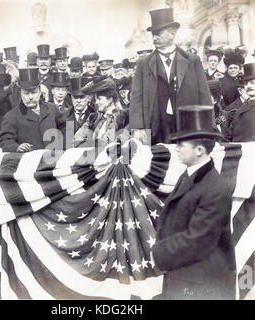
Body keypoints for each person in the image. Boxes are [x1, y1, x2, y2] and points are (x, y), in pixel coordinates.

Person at [151, 105, 236, 300]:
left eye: (181, 143)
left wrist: (158, 253)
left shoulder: (216, 188)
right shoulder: (190, 175)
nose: (176, 147)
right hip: (187, 277)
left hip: (204, 286)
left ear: (199, 150)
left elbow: (197, 239)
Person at [129, 8, 212, 145]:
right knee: (157, 161)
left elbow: (204, 96)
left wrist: (208, 126)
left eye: (158, 33)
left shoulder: (192, 61)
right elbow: (136, 99)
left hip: (187, 123)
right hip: (155, 126)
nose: (154, 38)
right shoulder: (143, 64)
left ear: (172, 33)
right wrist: (137, 129)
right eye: (153, 34)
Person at [0, 67, 66, 152]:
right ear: (20, 93)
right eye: (26, 93)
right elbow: (4, 141)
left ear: (40, 92)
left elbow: (66, 128)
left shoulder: (52, 109)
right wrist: (16, 147)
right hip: (30, 162)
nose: (30, 97)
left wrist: (65, 149)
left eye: (34, 92)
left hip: (54, 160)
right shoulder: (11, 117)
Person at [74, 77, 128, 147]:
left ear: (110, 98)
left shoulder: (122, 117)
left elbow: (110, 143)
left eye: (99, 99)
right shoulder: (93, 117)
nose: (96, 102)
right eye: (95, 99)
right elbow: (77, 138)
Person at [230, 63, 255, 142]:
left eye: (252, 82)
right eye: (246, 83)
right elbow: (230, 134)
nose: (248, 86)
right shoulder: (240, 108)